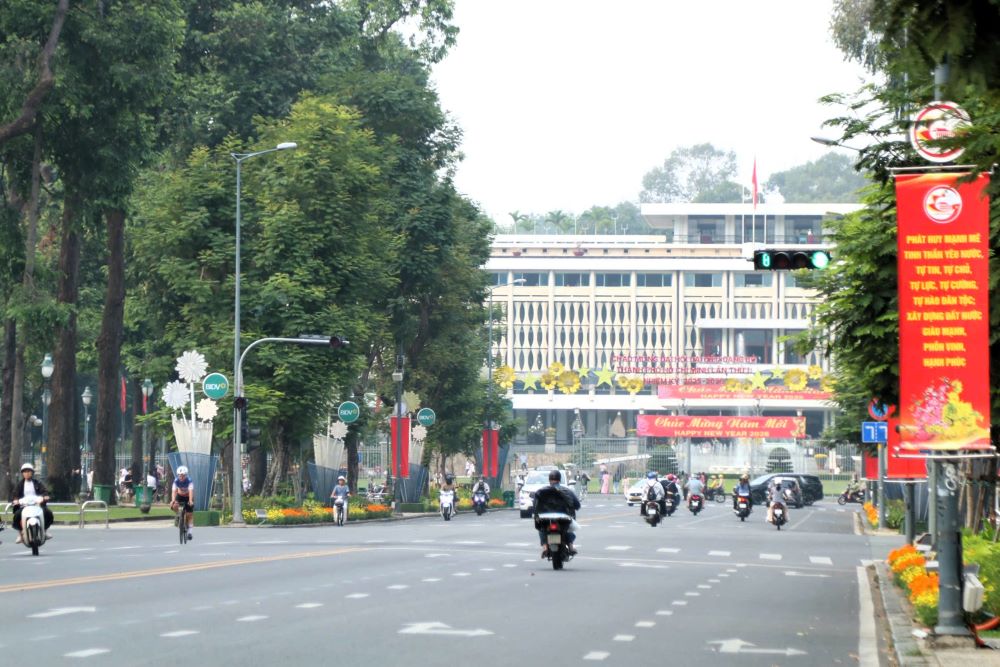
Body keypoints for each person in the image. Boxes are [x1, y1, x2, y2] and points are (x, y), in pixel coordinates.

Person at [532, 470, 580, 556]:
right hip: (563, 518)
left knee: (542, 528)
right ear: (560, 479)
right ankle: (570, 546)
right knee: (568, 528)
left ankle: (545, 547)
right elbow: (577, 505)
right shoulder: (567, 491)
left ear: (549, 480)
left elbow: (535, 505)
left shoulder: (542, 491)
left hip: (545, 518)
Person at [11, 463, 54, 543]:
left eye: (29, 471)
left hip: (37, 505)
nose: (27, 473)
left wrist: (45, 497)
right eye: (25, 472)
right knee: (16, 516)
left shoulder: (38, 483)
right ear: (22, 473)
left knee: (48, 514)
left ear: (32, 473)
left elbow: (44, 491)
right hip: (24, 506)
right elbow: (15, 495)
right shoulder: (19, 485)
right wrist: (15, 500)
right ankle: (20, 535)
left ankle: (44, 531)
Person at [171, 465, 195, 540]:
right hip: (180, 495)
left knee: (189, 515)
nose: (181, 477)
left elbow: (191, 491)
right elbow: (174, 491)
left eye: (183, 476)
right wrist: (173, 500)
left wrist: (190, 500)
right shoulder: (176, 481)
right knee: (173, 505)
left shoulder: (189, 481)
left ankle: (190, 532)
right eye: (180, 475)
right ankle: (178, 515)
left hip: (188, 497)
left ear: (186, 475)